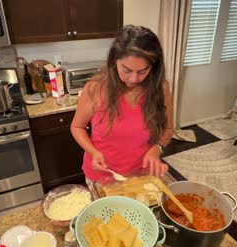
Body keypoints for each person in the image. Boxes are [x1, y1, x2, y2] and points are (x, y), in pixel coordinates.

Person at [71, 25, 174, 188]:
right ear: (114, 61)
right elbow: (77, 127)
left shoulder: (161, 89)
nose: (133, 79)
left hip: (141, 176)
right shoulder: (95, 88)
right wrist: (93, 152)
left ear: (153, 68)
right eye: (127, 70)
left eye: (142, 71)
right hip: (102, 178)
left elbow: (167, 130)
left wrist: (157, 148)